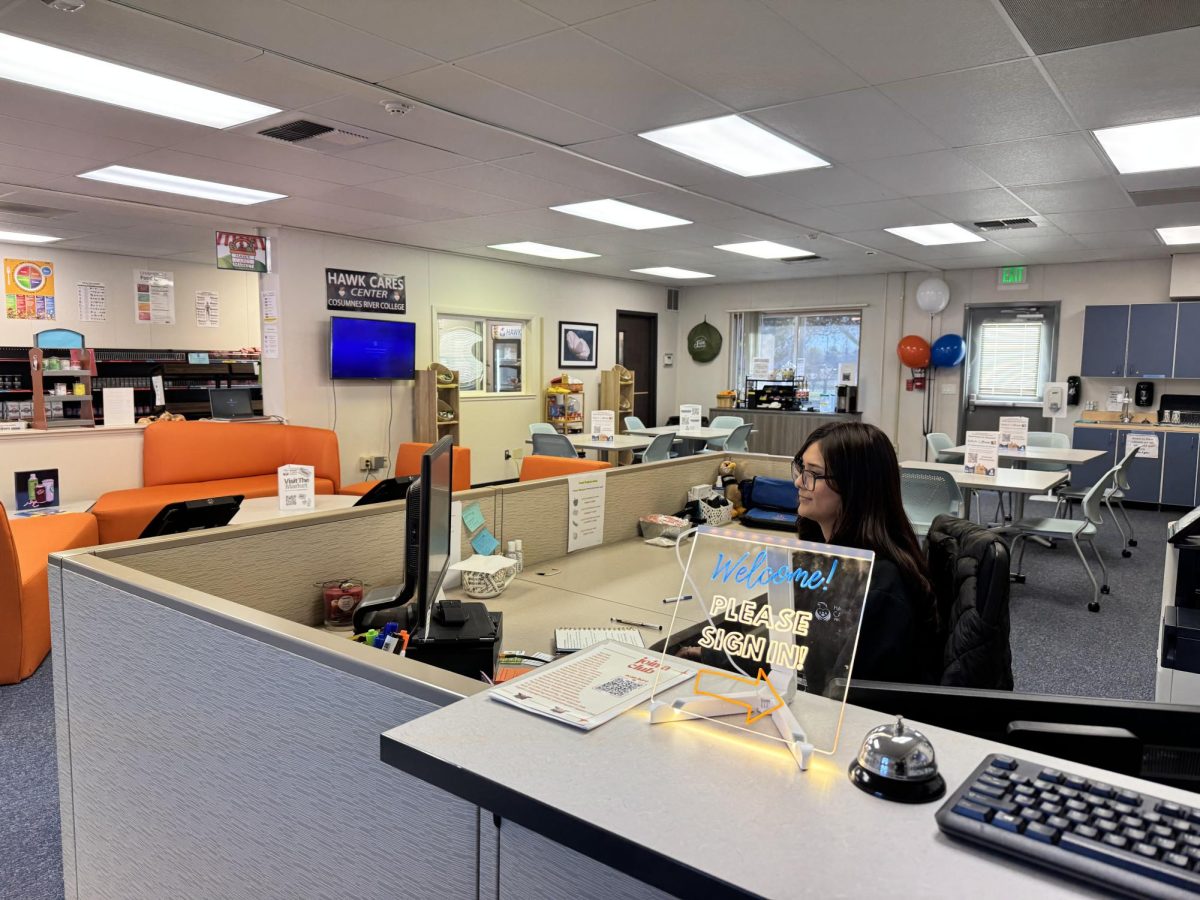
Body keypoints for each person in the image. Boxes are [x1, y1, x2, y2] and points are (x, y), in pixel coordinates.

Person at [792, 421, 940, 688]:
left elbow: (842, 693)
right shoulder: (831, 555)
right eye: (802, 469)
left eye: (813, 473)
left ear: (854, 486)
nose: (799, 481)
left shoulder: (880, 585)